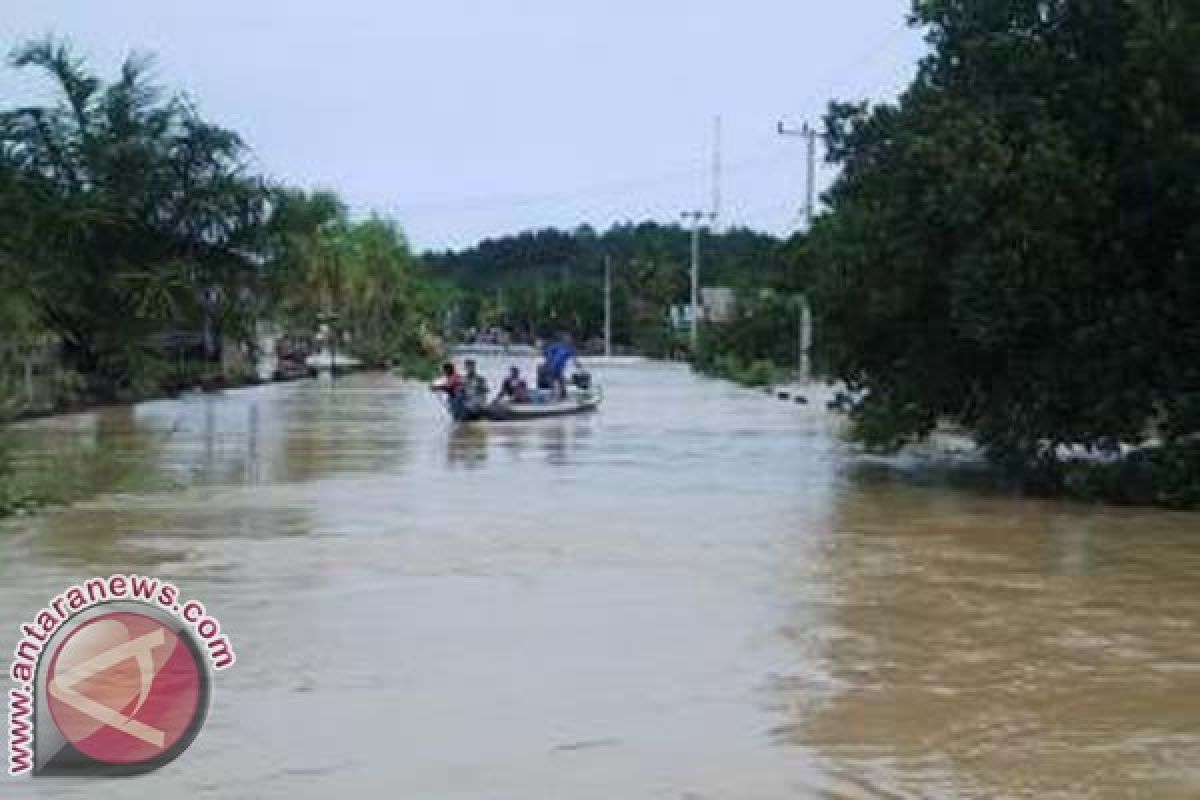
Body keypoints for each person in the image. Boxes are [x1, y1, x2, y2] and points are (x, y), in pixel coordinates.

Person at [542, 334, 580, 399]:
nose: (568, 340)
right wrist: (549, 358)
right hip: (551, 366)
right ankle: (553, 395)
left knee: (561, 381)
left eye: (569, 339)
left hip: (559, 368)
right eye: (567, 339)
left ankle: (563, 395)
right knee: (553, 380)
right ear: (563, 339)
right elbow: (547, 351)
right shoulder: (558, 345)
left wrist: (577, 364)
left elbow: (574, 358)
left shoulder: (571, 349)